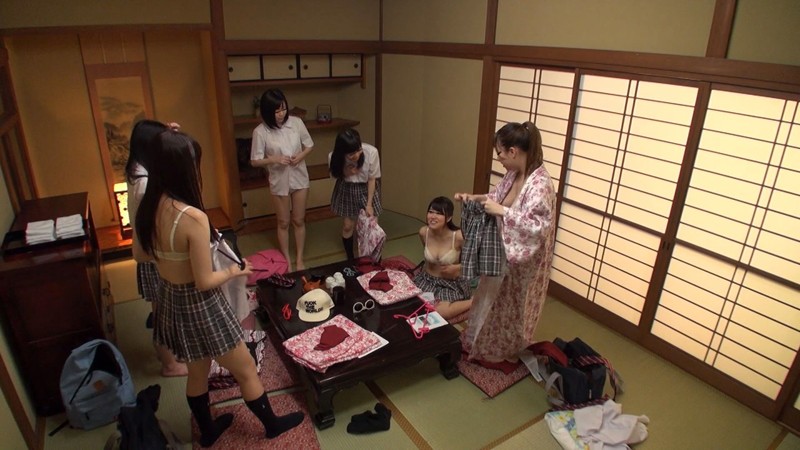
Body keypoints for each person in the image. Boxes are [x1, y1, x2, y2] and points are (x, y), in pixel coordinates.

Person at [134, 129, 304, 447]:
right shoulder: (191, 217)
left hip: (171, 299)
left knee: (198, 371)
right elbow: (204, 281)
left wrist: (170, 259)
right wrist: (234, 270)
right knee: (246, 368)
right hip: (201, 304)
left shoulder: (149, 206)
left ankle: (208, 430)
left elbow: (140, 255)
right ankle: (272, 425)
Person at [455, 121, 556, 365]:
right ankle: (480, 340)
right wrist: (473, 198)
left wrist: (502, 211)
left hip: (523, 261)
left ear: (513, 151)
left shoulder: (540, 184)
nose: (498, 159)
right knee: (489, 296)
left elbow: (537, 226)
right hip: (502, 250)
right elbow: (496, 197)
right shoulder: (514, 173)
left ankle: (500, 348)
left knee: (510, 305)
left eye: (500, 153)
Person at [125, 119, 188, 378]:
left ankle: (172, 355)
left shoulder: (139, 168)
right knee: (163, 314)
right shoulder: (143, 183)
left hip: (153, 253)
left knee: (166, 310)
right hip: (153, 256)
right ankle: (169, 364)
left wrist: (171, 135)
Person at [250, 89, 314, 271]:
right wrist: (274, 159)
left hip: (299, 177)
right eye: (276, 111)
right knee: (283, 222)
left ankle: (299, 259)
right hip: (279, 181)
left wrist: (300, 156)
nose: (281, 114)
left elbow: (309, 145)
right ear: (267, 112)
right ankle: (286, 260)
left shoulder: (296, 123)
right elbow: (255, 161)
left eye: (283, 109)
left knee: (299, 220)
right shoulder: (260, 132)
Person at [413, 196, 472, 320]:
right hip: (427, 280)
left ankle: (475, 301)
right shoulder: (424, 232)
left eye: (439, 213)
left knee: (437, 312)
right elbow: (427, 259)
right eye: (431, 212)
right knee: (413, 304)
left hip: (451, 285)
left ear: (449, 218)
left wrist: (458, 268)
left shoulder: (459, 236)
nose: (433, 216)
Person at [328, 128, 382, 260]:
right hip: (347, 188)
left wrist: (369, 204)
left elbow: (372, 179)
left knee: (371, 227)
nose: (357, 155)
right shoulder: (334, 157)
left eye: (358, 150)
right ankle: (350, 258)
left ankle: (374, 258)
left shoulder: (371, 152)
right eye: (351, 154)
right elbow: (335, 176)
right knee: (348, 226)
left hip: (367, 188)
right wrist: (346, 171)